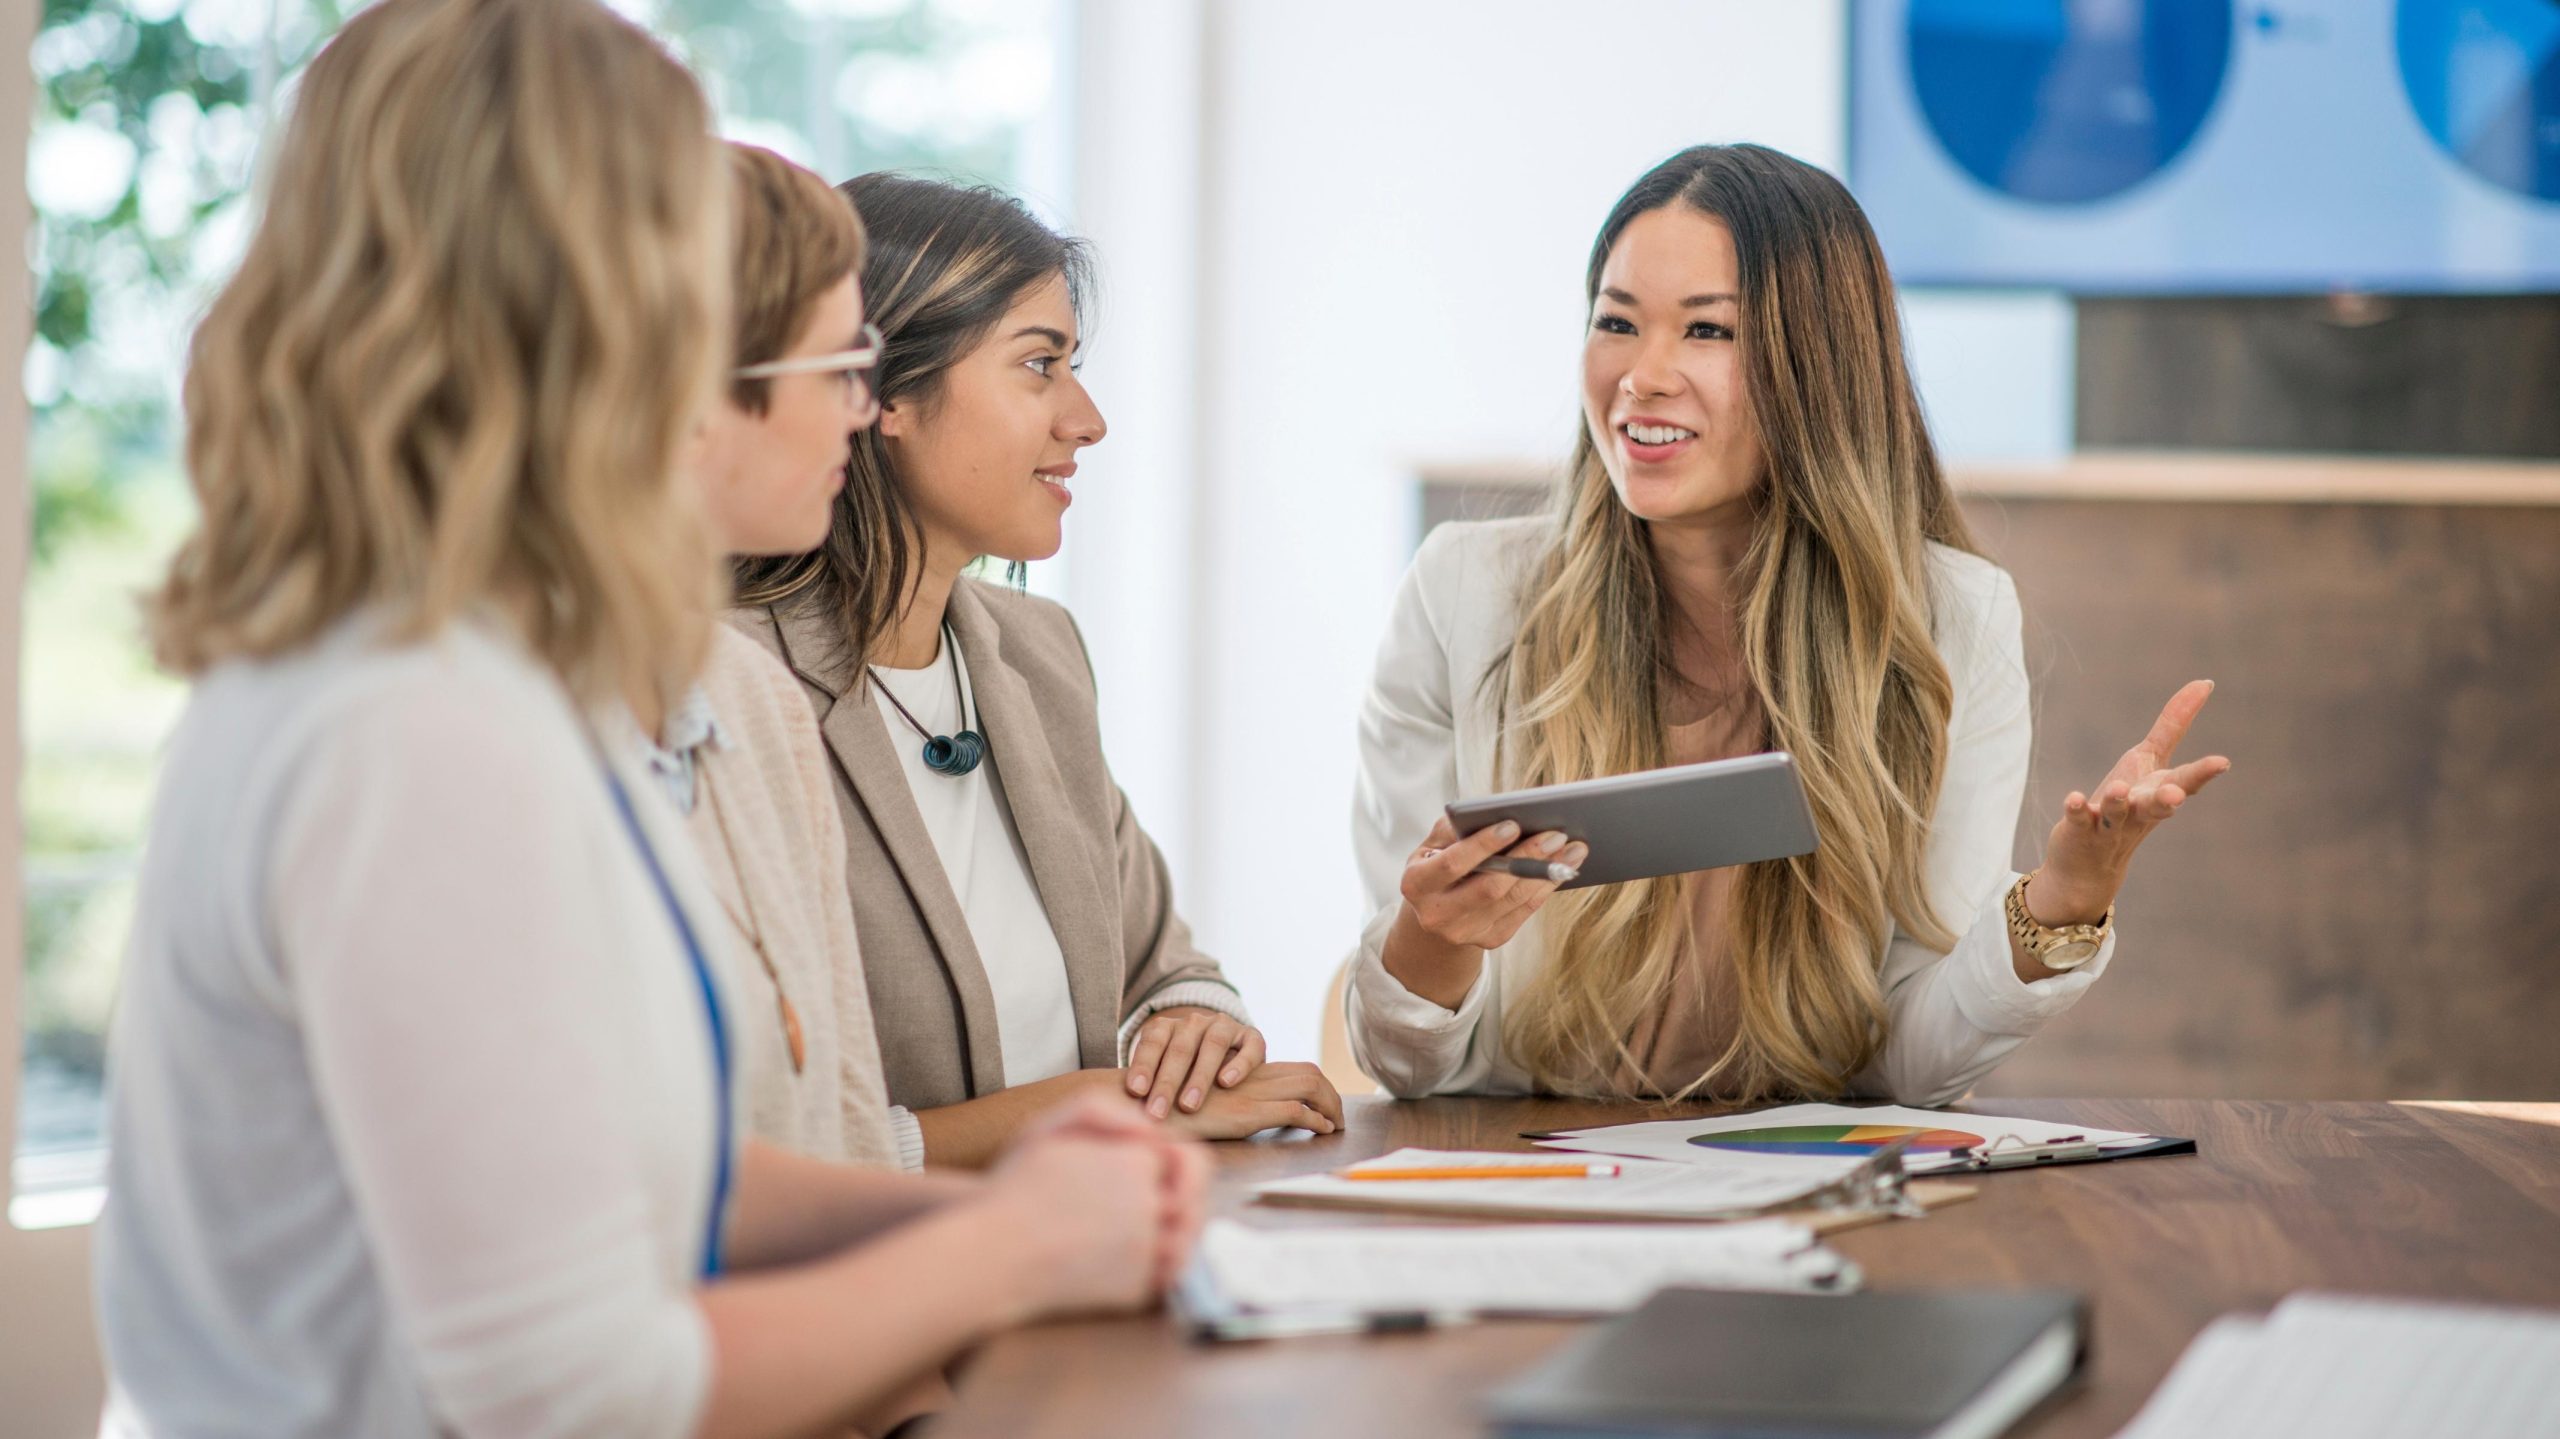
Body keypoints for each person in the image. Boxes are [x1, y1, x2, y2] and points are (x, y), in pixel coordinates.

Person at [94, 5, 1202, 1435]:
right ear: (605, 303)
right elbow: (573, 1386)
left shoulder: (471, 674)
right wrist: (1011, 1242)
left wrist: (1030, 1205)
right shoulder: (415, 728)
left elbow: (639, 1177)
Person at [1344, 144, 2232, 1107]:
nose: (1643, 376)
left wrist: (2064, 900)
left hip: (1805, 1190)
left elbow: (1909, 1065)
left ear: (1818, 364)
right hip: (1540, 1192)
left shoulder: (1951, 619)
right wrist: (1430, 938)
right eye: (1616, 321)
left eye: (1707, 332)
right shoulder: (1462, 596)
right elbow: (1412, 1065)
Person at [733, 175, 1342, 1167]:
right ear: (881, 390)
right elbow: (760, 1150)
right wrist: (1100, 1110)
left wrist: (1195, 1024)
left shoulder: (1035, 651)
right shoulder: (726, 688)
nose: (1086, 418)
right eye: (1039, 365)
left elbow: (1163, 960)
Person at [651, 142, 899, 1169]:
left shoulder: (753, 698)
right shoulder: (467, 727)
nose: (863, 407)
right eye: (839, 366)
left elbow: (845, 1137)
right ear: (697, 388)